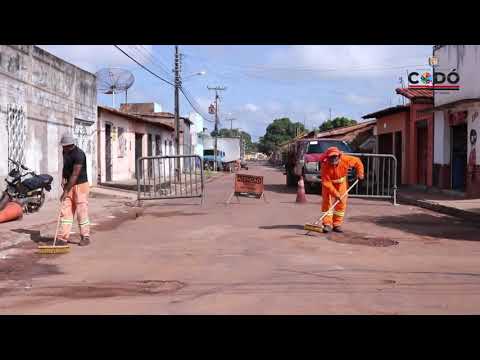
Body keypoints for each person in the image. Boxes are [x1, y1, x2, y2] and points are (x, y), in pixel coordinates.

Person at [320, 146, 364, 233]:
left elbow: (358, 162)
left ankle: (337, 224)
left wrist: (360, 173)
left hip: (341, 184)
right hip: (329, 185)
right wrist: (336, 194)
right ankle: (327, 224)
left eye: (335, 156)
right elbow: (326, 183)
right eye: (331, 157)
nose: (333, 159)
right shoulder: (325, 166)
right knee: (327, 203)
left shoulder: (346, 159)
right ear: (327, 157)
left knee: (341, 203)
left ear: (339, 156)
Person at [56, 134, 90, 246]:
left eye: (64, 146)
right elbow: (65, 167)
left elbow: (75, 174)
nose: (63, 148)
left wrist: (65, 191)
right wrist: (62, 178)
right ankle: (62, 238)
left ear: (70, 145)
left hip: (80, 185)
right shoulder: (65, 152)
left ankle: (85, 237)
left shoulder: (79, 155)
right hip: (69, 184)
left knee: (81, 212)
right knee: (65, 211)